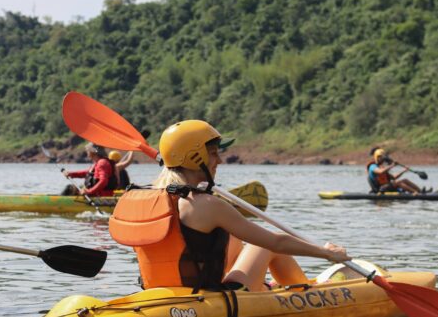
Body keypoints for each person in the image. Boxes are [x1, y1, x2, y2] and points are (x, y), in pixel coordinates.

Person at [109, 120, 350, 292]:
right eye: (213, 153)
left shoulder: (146, 198)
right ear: (195, 158)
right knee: (264, 246)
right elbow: (275, 242)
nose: (219, 161)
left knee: (233, 240)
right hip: (208, 300)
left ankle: (274, 287)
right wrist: (326, 252)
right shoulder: (207, 205)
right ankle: (309, 292)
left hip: (161, 296)